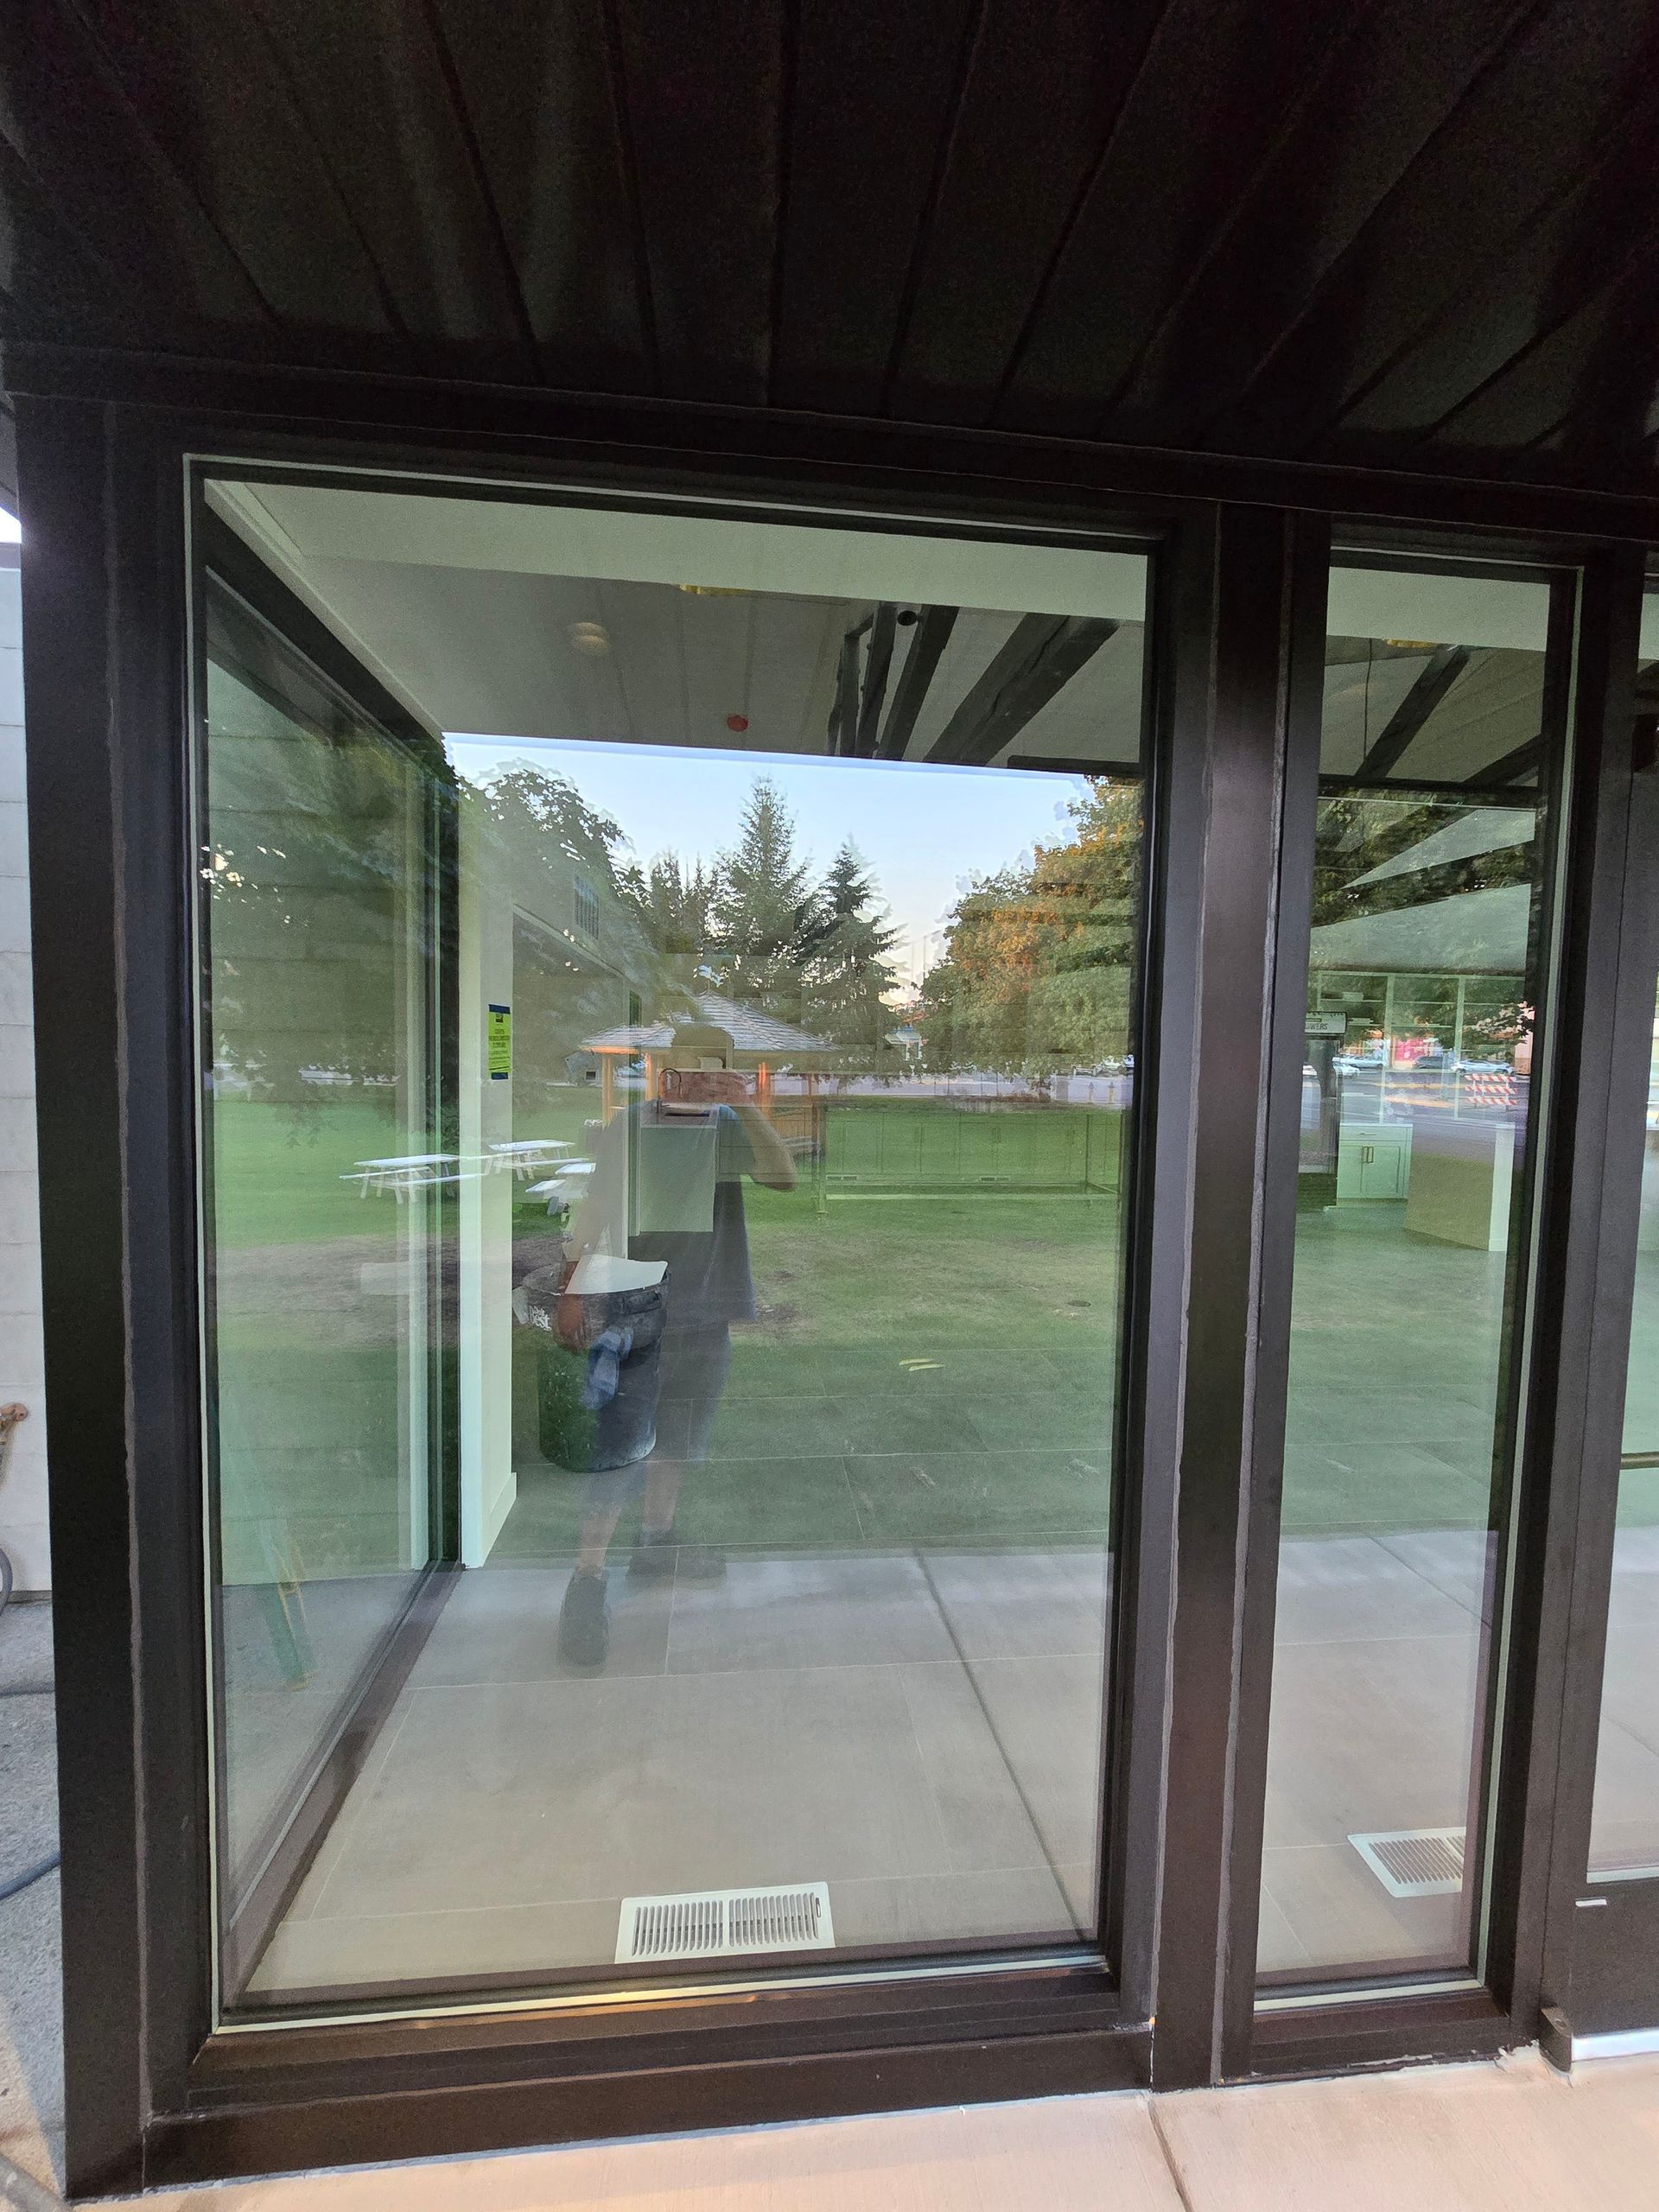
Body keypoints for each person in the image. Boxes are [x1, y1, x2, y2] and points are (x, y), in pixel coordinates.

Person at [558, 1023, 796, 1664]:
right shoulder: (633, 1126)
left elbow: (784, 1177)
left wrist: (744, 1102)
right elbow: (597, 1204)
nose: (695, 1077)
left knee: (680, 1440)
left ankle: (655, 1545)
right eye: (684, 1065)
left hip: (708, 1306)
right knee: (619, 1448)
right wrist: (572, 1285)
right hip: (637, 1307)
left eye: (710, 1065)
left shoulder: (728, 1126)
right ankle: (587, 1580)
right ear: (665, 1068)